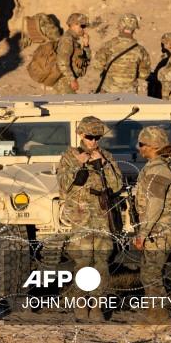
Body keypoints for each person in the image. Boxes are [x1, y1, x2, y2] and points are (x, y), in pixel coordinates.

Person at [56, 116, 124, 320]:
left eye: (97, 137)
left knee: (101, 263)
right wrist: (79, 165)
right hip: (81, 217)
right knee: (83, 263)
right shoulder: (69, 157)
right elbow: (63, 185)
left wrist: (104, 165)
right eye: (89, 137)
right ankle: (80, 305)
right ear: (80, 135)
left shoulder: (106, 157)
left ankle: (97, 306)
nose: (93, 141)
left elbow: (118, 184)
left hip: (102, 218)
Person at [133, 126, 171, 330]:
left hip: (158, 230)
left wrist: (144, 232)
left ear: (153, 146)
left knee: (152, 274)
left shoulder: (159, 170)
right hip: (155, 228)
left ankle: (162, 320)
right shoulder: (153, 166)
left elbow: (155, 203)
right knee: (148, 273)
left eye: (142, 144)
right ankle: (153, 316)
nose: (139, 148)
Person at [89, 12, 150, 95]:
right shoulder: (140, 50)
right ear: (134, 29)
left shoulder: (108, 45)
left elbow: (97, 66)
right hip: (130, 93)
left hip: (109, 91)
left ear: (120, 26)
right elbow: (144, 74)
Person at [53, 12, 91, 94]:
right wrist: (72, 80)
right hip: (64, 81)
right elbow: (62, 62)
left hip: (67, 80)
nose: (84, 29)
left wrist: (86, 45)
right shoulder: (67, 40)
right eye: (82, 26)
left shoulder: (73, 40)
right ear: (74, 25)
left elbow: (86, 61)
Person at [151, 32, 171, 97]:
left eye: (163, 44)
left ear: (169, 45)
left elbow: (159, 77)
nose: (162, 47)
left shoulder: (170, 60)